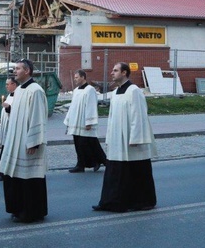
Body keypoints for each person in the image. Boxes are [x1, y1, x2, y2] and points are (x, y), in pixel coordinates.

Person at [93, 62, 157, 212]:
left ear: (124, 73)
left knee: (135, 171)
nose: (111, 73)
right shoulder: (115, 93)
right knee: (115, 172)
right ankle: (110, 202)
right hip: (117, 138)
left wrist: (136, 138)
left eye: (115, 70)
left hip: (130, 139)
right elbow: (111, 118)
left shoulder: (134, 91)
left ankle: (142, 202)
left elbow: (139, 115)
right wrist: (109, 137)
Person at [0, 59, 49, 223]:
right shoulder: (19, 90)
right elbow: (20, 112)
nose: (15, 71)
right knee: (16, 177)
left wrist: (34, 141)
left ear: (27, 71)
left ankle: (32, 212)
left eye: (18, 68)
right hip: (15, 140)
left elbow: (38, 117)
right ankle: (18, 208)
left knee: (29, 178)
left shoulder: (36, 91)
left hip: (28, 142)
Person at [64, 69, 107, 173]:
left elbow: (91, 106)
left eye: (77, 77)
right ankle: (81, 165)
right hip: (76, 121)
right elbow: (73, 106)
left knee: (90, 143)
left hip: (84, 121)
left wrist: (89, 121)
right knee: (78, 143)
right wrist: (68, 121)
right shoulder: (76, 90)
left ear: (83, 77)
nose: (75, 79)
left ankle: (101, 161)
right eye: (74, 77)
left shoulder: (90, 90)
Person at [0, 77, 18, 181]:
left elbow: (18, 111)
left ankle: (5, 173)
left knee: (8, 151)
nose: (6, 86)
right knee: (4, 149)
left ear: (14, 84)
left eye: (8, 84)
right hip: (6, 128)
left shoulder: (18, 96)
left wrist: (8, 108)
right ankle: (1, 171)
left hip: (12, 129)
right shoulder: (10, 95)